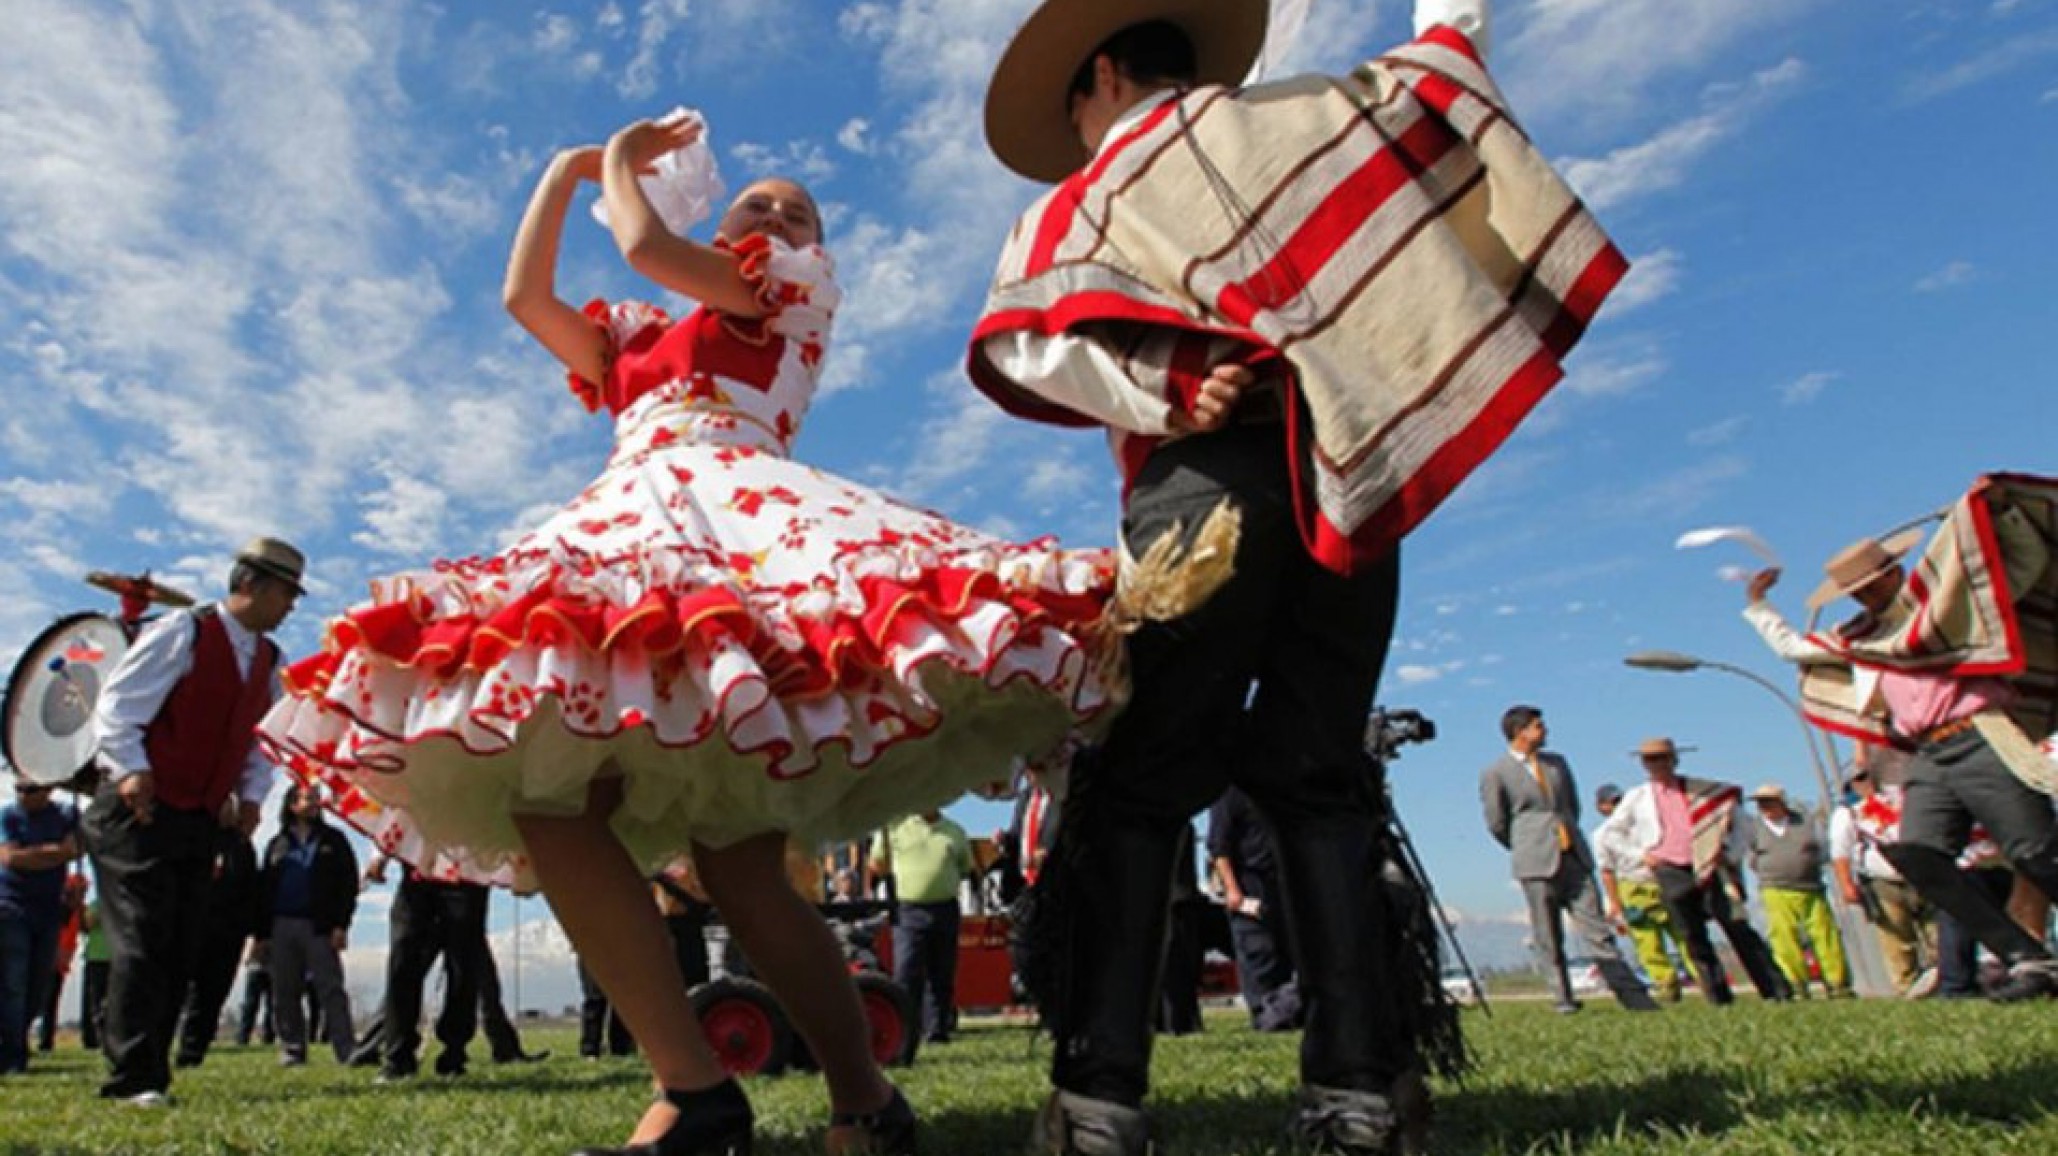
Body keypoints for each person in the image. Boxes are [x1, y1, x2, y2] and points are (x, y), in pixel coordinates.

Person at [256, 109, 1115, 1156]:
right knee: (551, 800)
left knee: (746, 869)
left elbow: (648, 244)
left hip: (743, 526)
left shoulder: (792, 293)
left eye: (797, 211)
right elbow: (524, 298)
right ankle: (697, 1086)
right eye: (759, 199)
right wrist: (568, 169)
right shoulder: (640, 332)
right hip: (632, 518)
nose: (775, 215)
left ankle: (864, 1093)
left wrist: (618, 162)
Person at [966, 0, 1602, 1146]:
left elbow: (1026, 338)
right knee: (1319, 769)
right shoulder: (1312, 117)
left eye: (1075, 103)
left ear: (1103, 74)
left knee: (1143, 773)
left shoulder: (1083, 197)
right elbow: (1451, 52)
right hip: (1344, 476)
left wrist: (1165, 387)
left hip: (1199, 493)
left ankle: (1101, 1098)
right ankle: (1360, 1092)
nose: (1075, 127)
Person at [1741, 502, 2058, 1001]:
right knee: (1917, 854)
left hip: (1980, 732)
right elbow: (1795, 648)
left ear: (1895, 573)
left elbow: (2015, 572)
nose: (1866, 595)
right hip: (1926, 754)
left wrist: (2004, 513)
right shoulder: (1864, 639)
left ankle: (2032, 958)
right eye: (1856, 592)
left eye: (1871, 584)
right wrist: (1759, 606)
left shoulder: (1949, 606)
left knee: (2035, 850)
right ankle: (2027, 957)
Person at [87, 538, 303, 1105]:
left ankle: (152, 1069)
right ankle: (132, 1077)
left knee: (183, 943)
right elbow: (117, 708)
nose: (291, 605)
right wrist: (132, 769)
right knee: (142, 934)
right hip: (138, 808)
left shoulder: (269, 662)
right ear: (250, 584)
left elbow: (260, 741)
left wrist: (253, 796)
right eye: (285, 591)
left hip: (199, 816)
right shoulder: (183, 632)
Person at [1479, 707, 1658, 1013]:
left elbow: (1572, 806)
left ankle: (1633, 997)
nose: (1545, 730)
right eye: (1538, 726)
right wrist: (1525, 844)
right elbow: (1497, 822)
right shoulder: (1496, 772)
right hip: (1535, 860)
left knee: (1597, 929)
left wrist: (1566, 835)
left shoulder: (1557, 764)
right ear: (1520, 731)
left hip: (1573, 854)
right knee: (1547, 933)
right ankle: (1563, 999)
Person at [1595, 739, 1790, 1006]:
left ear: (1674, 759)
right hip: (1669, 869)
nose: (1658, 764)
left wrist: (1729, 853)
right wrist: (1642, 855)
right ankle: (1718, 997)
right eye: (1651, 760)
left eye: (1662, 758)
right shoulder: (1637, 797)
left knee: (1737, 927)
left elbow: (1745, 825)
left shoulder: (1705, 791)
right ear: (1643, 765)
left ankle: (1776, 991)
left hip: (1710, 866)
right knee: (1692, 935)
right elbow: (1609, 834)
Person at [257, 783, 358, 1066]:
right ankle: (292, 1049)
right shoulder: (276, 844)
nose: (314, 803)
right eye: (307, 798)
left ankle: (346, 1049)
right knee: (285, 991)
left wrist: (341, 925)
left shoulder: (334, 841)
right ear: (292, 805)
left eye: (317, 798)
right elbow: (264, 890)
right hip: (281, 925)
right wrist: (261, 934)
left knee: (331, 990)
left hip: (320, 927)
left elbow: (347, 884)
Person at [366, 853, 486, 1081]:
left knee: (462, 967)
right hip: (418, 869)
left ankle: (454, 1056)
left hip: (468, 871)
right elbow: (401, 816)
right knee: (403, 958)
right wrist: (379, 856)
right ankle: (397, 1059)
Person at [869, 810, 973, 1046]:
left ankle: (937, 1030)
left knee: (942, 972)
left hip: (945, 908)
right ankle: (905, 1030)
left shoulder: (955, 831)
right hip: (908, 909)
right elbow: (877, 864)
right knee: (906, 970)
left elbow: (965, 867)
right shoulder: (894, 826)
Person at [1827, 766, 1932, 994]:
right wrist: (1846, 884)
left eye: (1869, 775)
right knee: (1897, 939)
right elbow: (1840, 851)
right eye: (1859, 779)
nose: (1866, 781)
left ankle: (1947, 981)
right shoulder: (1849, 812)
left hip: (1923, 873)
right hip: (1882, 881)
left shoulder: (1900, 798)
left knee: (1938, 934)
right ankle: (1907, 987)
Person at [173, 809, 265, 1067]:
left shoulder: (241, 846)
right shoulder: (191, 835)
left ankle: (192, 1052)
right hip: (189, 924)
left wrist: (255, 931)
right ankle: (155, 1046)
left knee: (212, 992)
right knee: (175, 988)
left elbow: (251, 890)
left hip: (227, 930)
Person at [2, 778, 81, 1075]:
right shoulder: (8, 815)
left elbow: (78, 849)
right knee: (13, 982)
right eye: (19, 789)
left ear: (48, 789)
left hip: (49, 910)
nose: (23, 795)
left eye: (30, 790)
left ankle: (13, 1039)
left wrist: (39, 855)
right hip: (10, 907)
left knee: (37, 985)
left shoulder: (66, 814)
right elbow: (11, 859)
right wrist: (58, 853)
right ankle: (12, 1056)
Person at [1744, 784, 1851, 998]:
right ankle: (1796, 984)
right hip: (1775, 889)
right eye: (1760, 803)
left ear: (1782, 802)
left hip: (1811, 887)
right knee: (1783, 937)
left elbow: (1823, 850)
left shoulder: (1807, 822)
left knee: (1825, 934)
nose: (1764, 806)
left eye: (1768, 801)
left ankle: (1837, 984)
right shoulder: (1753, 828)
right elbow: (1751, 858)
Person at [1206, 786, 1298, 1030]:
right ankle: (1266, 1019)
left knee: (1288, 956)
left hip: (1284, 884)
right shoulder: (1230, 793)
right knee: (1260, 957)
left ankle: (1285, 1016)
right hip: (1250, 884)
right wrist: (1233, 892)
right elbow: (1219, 848)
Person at [1593, 783, 1687, 1003]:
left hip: (1662, 881)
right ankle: (1667, 985)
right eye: (1612, 803)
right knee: (1647, 941)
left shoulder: (1646, 825)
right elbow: (1607, 871)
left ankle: (1703, 979)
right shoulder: (1602, 835)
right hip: (1632, 887)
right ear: (1601, 807)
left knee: (1683, 934)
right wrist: (1615, 904)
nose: (1617, 806)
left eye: (1620, 801)